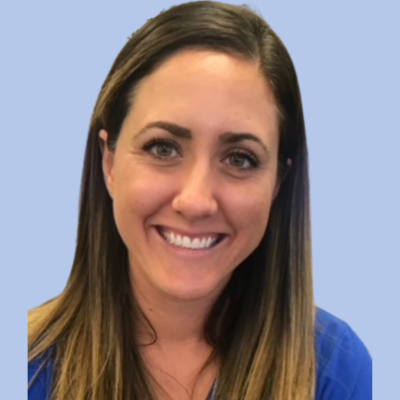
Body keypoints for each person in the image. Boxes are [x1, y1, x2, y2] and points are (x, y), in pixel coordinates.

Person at [27, 1, 372, 399]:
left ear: (279, 181)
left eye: (240, 158)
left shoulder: (339, 370)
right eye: (162, 148)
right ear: (109, 163)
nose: (195, 201)